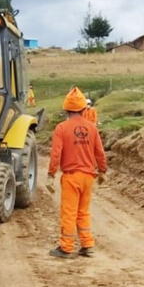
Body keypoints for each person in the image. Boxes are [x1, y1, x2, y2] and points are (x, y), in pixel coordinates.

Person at [47, 87, 107, 259]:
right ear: (83, 108)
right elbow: (100, 153)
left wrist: (51, 174)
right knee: (83, 212)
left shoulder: (61, 128)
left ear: (66, 109)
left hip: (71, 177)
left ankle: (66, 247)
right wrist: (102, 171)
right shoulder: (92, 128)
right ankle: (87, 245)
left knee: (69, 212)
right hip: (89, 177)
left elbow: (56, 153)